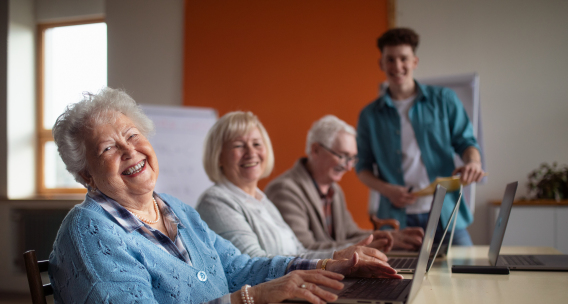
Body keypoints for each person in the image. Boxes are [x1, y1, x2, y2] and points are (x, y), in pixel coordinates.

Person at [48, 88, 400, 304]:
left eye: (132, 135)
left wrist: (326, 264)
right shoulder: (89, 233)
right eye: (109, 147)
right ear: (86, 175)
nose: (129, 150)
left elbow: (238, 267)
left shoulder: (175, 209)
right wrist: (252, 298)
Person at [196, 111, 394, 263]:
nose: (251, 152)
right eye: (239, 145)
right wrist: (337, 259)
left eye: (257, 144)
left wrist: (345, 255)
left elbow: (299, 252)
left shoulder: (261, 200)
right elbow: (252, 265)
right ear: (218, 156)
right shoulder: (216, 202)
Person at [356, 28, 486, 245]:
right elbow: (363, 168)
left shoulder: (444, 99)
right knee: (397, 278)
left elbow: (466, 142)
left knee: (466, 273)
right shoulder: (369, 115)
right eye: (390, 59)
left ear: (415, 61)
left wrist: (473, 162)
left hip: (446, 213)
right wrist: (388, 190)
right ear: (381, 64)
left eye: (403, 59)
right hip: (397, 220)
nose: (397, 66)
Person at [264, 115, 424, 251]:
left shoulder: (335, 189)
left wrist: (391, 237)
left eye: (352, 158)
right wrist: (375, 243)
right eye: (342, 156)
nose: (348, 166)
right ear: (315, 150)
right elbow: (304, 248)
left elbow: (350, 234)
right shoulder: (284, 190)